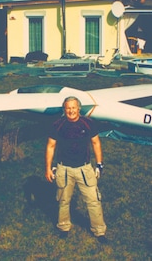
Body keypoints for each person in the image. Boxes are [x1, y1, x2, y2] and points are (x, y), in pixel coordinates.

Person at [45, 96, 107, 243]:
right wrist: (48, 168)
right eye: (68, 108)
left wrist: (99, 164)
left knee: (93, 201)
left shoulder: (88, 123)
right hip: (64, 169)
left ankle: (99, 232)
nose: (71, 111)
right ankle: (63, 227)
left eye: (73, 108)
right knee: (63, 200)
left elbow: (96, 143)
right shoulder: (57, 125)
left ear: (78, 109)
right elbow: (50, 146)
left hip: (84, 169)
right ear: (64, 109)